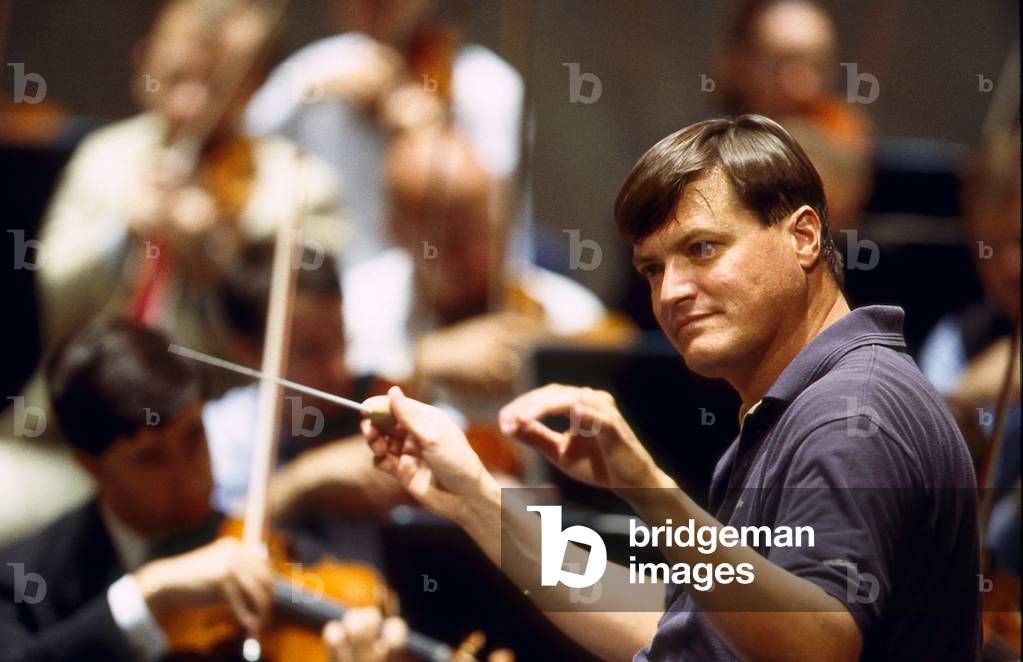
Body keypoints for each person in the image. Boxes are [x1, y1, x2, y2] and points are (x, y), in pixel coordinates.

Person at [344, 116, 981, 660]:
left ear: (804, 236)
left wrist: (650, 492)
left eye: (702, 249)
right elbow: (675, 628)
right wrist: (476, 499)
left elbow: (817, 641)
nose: (670, 291)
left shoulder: (849, 413)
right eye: (653, 268)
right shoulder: (802, 404)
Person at [36, 0, 347, 358]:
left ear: (253, 83)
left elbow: (307, 329)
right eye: (176, 78)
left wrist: (224, 259)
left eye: (213, 86)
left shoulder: (301, 180)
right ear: (142, 65)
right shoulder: (103, 156)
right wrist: (124, 228)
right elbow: (52, 290)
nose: (190, 105)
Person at [0, 319, 273, 661]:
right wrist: (146, 593)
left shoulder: (250, 539)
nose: (189, 478)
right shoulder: (16, 585)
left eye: (194, 436)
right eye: (152, 459)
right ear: (92, 467)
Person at [245, 0, 523, 266]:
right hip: (332, 280)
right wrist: (311, 91)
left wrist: (430, 135)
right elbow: (246, 134)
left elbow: (493, 206)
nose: (369, 4)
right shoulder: (317, 67)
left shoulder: (485, 81)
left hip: (431, 286)